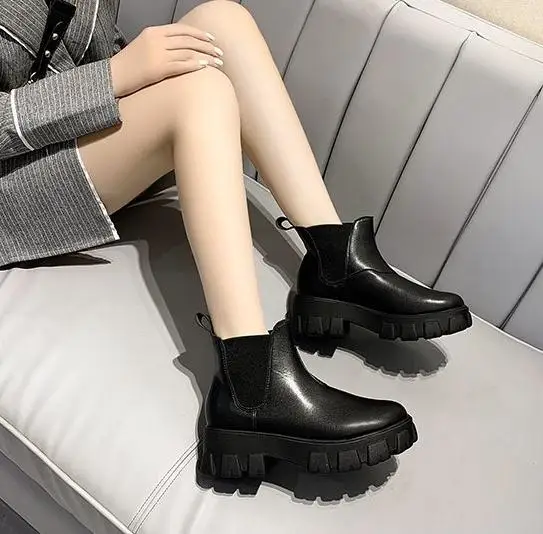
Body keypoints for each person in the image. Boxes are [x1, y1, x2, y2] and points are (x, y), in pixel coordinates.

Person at [0, 0, 472, 480]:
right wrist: (115, 77)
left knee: (222, 21)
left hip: (63, 131)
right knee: (200, 94)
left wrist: (128, 70)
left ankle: (335, 262)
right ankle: (250, 385)